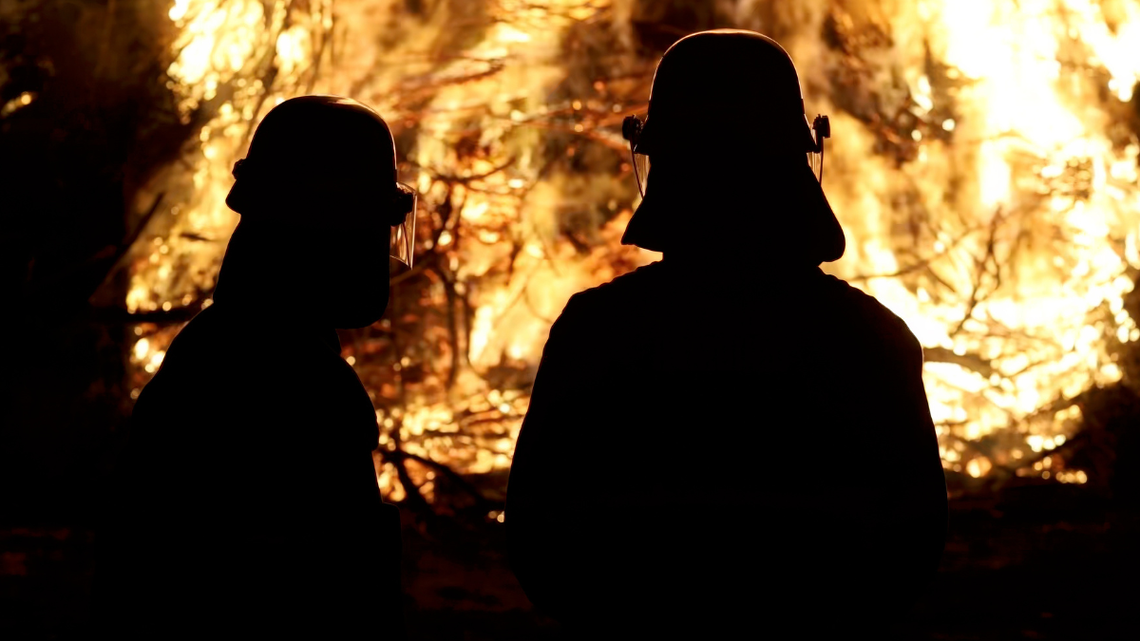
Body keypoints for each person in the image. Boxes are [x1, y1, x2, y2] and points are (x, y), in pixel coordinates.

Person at [505, 29, 948, 639]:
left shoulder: (600, 331)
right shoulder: (870, 338)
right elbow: (910, 543)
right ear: (801, 156)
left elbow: (539, 537)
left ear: (659, 162)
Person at [91, 96, 415, 639]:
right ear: (324, 235)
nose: (376, 250)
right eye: (368, 228)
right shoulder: (299, 383)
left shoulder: (217, 347)